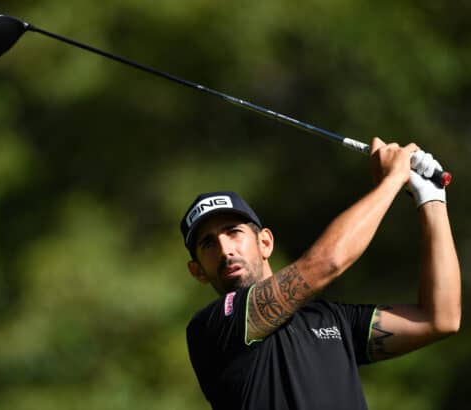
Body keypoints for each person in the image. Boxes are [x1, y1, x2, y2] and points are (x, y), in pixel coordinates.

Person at [180, 138, 461, 410]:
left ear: (265, 242)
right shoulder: (213, 327)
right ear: (197, 271)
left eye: (233, 232)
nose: (224, 249)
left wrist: (431, 199)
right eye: (208, 243)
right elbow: (327, 263)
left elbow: (441, 319)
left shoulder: (332, 320)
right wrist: (393, 180)